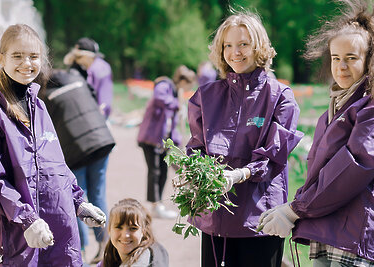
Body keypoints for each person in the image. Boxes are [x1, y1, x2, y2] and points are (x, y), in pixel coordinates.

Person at [0, 24, 106, 266]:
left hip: (56, 227)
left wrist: (79, 202)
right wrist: (27, 219)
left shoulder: (40, 107)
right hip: (13, 234)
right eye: (17, 56)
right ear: (1, 58)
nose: (27, 63)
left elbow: (55, 164)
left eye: (33, 56)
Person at [258, 1, 374, 266]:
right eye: (336, 58)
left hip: (354, 233)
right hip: (328, 228)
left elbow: (353, 167)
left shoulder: (370, 107)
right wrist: (298, 206)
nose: (341, 66)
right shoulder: (334, 109)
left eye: (351, 58)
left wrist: (295, 209)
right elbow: (320, 173)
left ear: (369, 60)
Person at [186, 9, 303, 267]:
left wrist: (239, 174)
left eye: (243, 44)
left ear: (258, 46)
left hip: (260, 219)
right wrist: (193, 174)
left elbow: (274, 156)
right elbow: (196, 147)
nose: (234, 52)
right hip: (216, 218)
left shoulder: (280, 96)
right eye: (228, 45)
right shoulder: (206, 96)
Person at [42, 67, 116, 264]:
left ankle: (80, 249)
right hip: (102, 141)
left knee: (77, 199)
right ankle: (105, 246)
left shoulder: (44, 95)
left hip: (75, 149)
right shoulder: (77, 78)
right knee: (98, 193)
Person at [137, 65, 196, 219]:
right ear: (183, 81)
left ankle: (158, 205)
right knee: (154, 171)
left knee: (163, 171)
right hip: (151, 139)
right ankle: (155, 205)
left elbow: (172, 124)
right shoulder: (165, 85)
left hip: (162, 141)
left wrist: (177, 143)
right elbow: (158, 97)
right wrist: (178, 105)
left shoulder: (176, 93)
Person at [98, 198, 169, 267]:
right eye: (119, 227)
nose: (125, 235)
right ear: (109, 229)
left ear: (143, 231)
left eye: (133, 228)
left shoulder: (148, 260)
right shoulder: (111, 256)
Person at [63, 37, 113, 119]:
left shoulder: (100, 69)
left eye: (79, 57)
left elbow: (104, 95)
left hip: (98, 113)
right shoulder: (82, 67)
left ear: (89, 56)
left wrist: (100, 110)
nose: (77, 60)